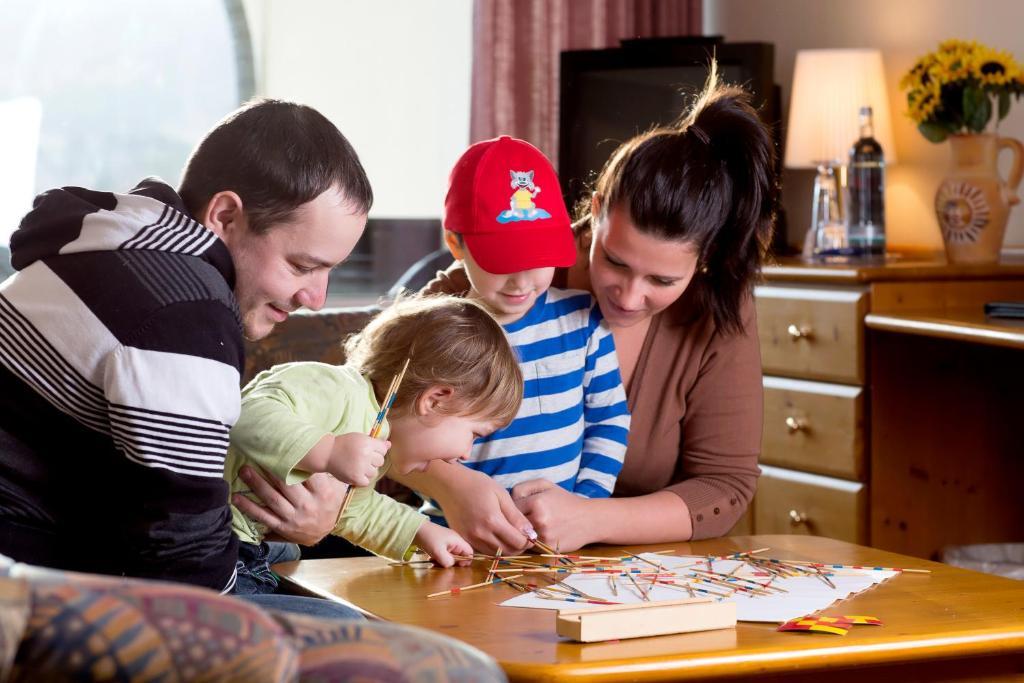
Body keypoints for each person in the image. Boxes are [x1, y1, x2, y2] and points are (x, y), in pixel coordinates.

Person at [391, 63, 775, 552]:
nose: (629, 297)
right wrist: (453, 486)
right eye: (614, 262)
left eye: (662, 280)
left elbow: (724, 488)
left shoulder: (719, 307)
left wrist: (591, 519)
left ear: (705, 262)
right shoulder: (495, 283)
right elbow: (373, 419)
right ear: (594, 213)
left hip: (634, 571)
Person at [0, 98, 372, 597]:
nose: (316, 297)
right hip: (37, 591)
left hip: (53, 549)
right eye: (303, 266)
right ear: (224, 216)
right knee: (416, 664)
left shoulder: (121, 247)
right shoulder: (183, 313)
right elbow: (187, 563)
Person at [226, 295, 523, 594]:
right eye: (473, 434)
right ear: (434, 400)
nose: (465, 454)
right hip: (213, 547)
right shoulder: (335, 389)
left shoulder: (378, 438)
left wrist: (421, 532)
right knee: (339, 624)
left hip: (259, 553)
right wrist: (327, 450)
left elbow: (354, 510)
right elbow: (246, 414)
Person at [422, 136, 629, 520]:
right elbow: (411, 440)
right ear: (455, 244)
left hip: (561, 537)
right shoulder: (438, 336)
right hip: (459, 535)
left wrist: (584, 506)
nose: (521, 283)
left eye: (537, 259)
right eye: (502, 262)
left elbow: (610, 420)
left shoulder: (585, 323)